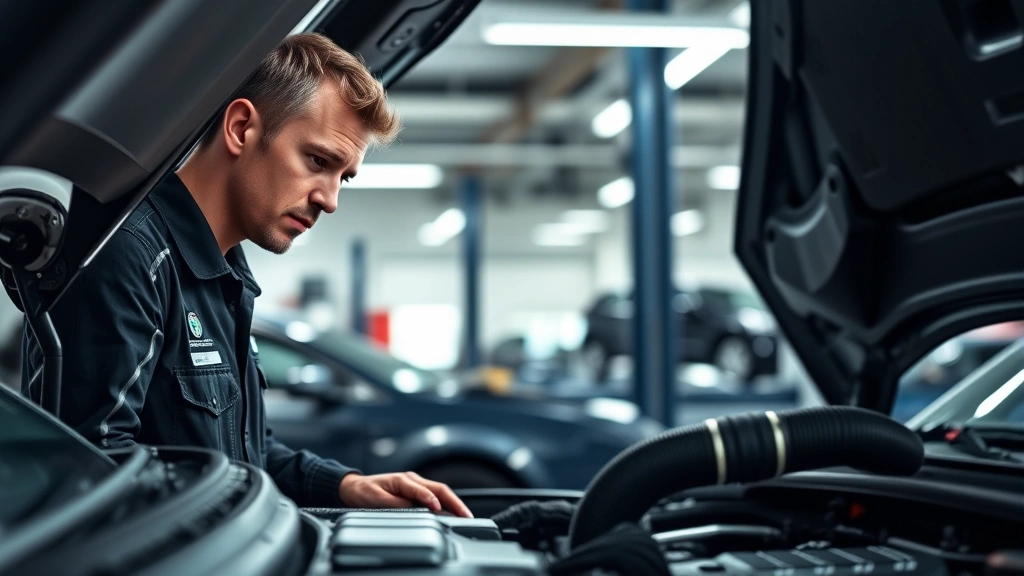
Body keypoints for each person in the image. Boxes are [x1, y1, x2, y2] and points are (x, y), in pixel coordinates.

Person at [16, 33, 472, 517]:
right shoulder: (129, 255)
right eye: (318, 161)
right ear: (240, 128)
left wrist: (346, 486)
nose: (330, 199)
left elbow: (241, 457)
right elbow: (93, 472)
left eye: (344, 177)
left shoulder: (226, 274)